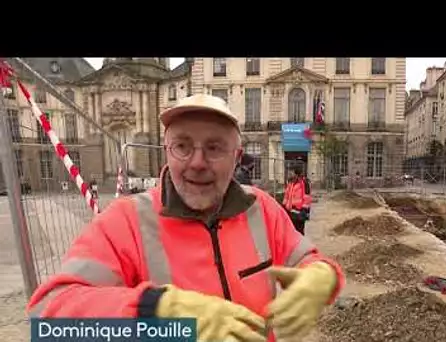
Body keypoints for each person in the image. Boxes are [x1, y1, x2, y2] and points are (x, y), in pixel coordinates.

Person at [26, 94, 345, 342]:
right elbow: (47, 321)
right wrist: (157, 310)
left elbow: (308, 259)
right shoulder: (126, 221)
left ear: (236, 156)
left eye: (215, 148)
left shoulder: (260, 207)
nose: (197, 162)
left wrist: (323, 277)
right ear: (166, 150)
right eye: (182, 146)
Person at [283, 163, 312, 235]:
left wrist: (304, 210)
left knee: (299, 233)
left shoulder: (304, 182)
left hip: (299, 212)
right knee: (291, 233)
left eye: (291, 171)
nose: (289, 173)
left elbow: (307, 197)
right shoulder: (290, 182)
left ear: (296, 172)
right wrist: (283, 206)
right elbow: (287, 195)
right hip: (290, 211)